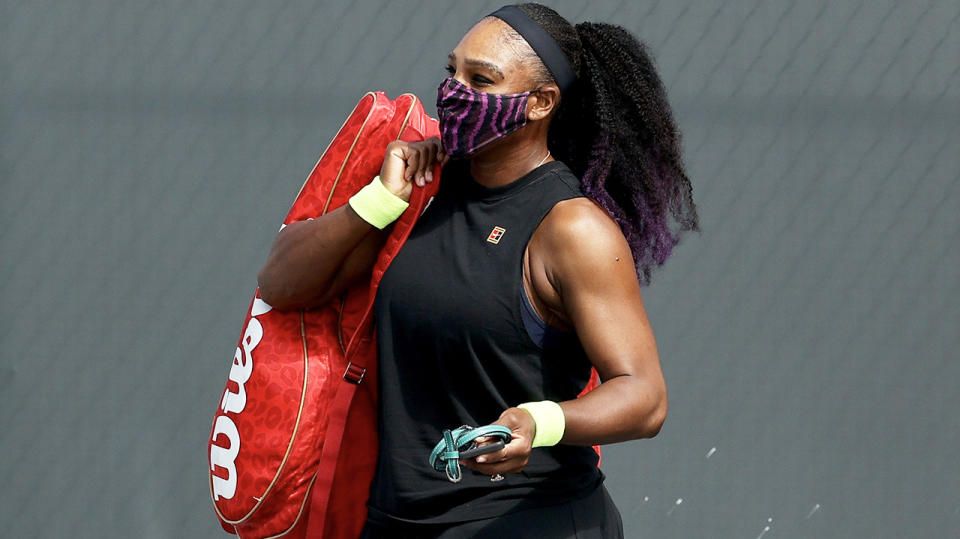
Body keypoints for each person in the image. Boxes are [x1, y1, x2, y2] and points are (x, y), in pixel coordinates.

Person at [257, 3, 699, 537]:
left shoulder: (571, 228)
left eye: (481, 79)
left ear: (539, 103)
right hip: (397, 521)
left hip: (527, 520)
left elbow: (645, 397)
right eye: (453, 72)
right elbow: (280, 285)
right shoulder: (422, 185)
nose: (454, 92)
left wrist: (539, 422)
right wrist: (379, 199)